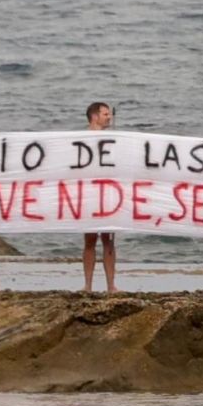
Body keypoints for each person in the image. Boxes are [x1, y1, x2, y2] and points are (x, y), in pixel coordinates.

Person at [81, 102, 120, 294]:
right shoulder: (81, 139)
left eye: (110, 114)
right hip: (89, 194)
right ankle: (88, 285)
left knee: (108, 240)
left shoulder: (113, 139)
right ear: (95, 116)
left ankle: (111, 285)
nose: (109, 117)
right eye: (105, 114)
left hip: (109, 194)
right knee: (89, 240)